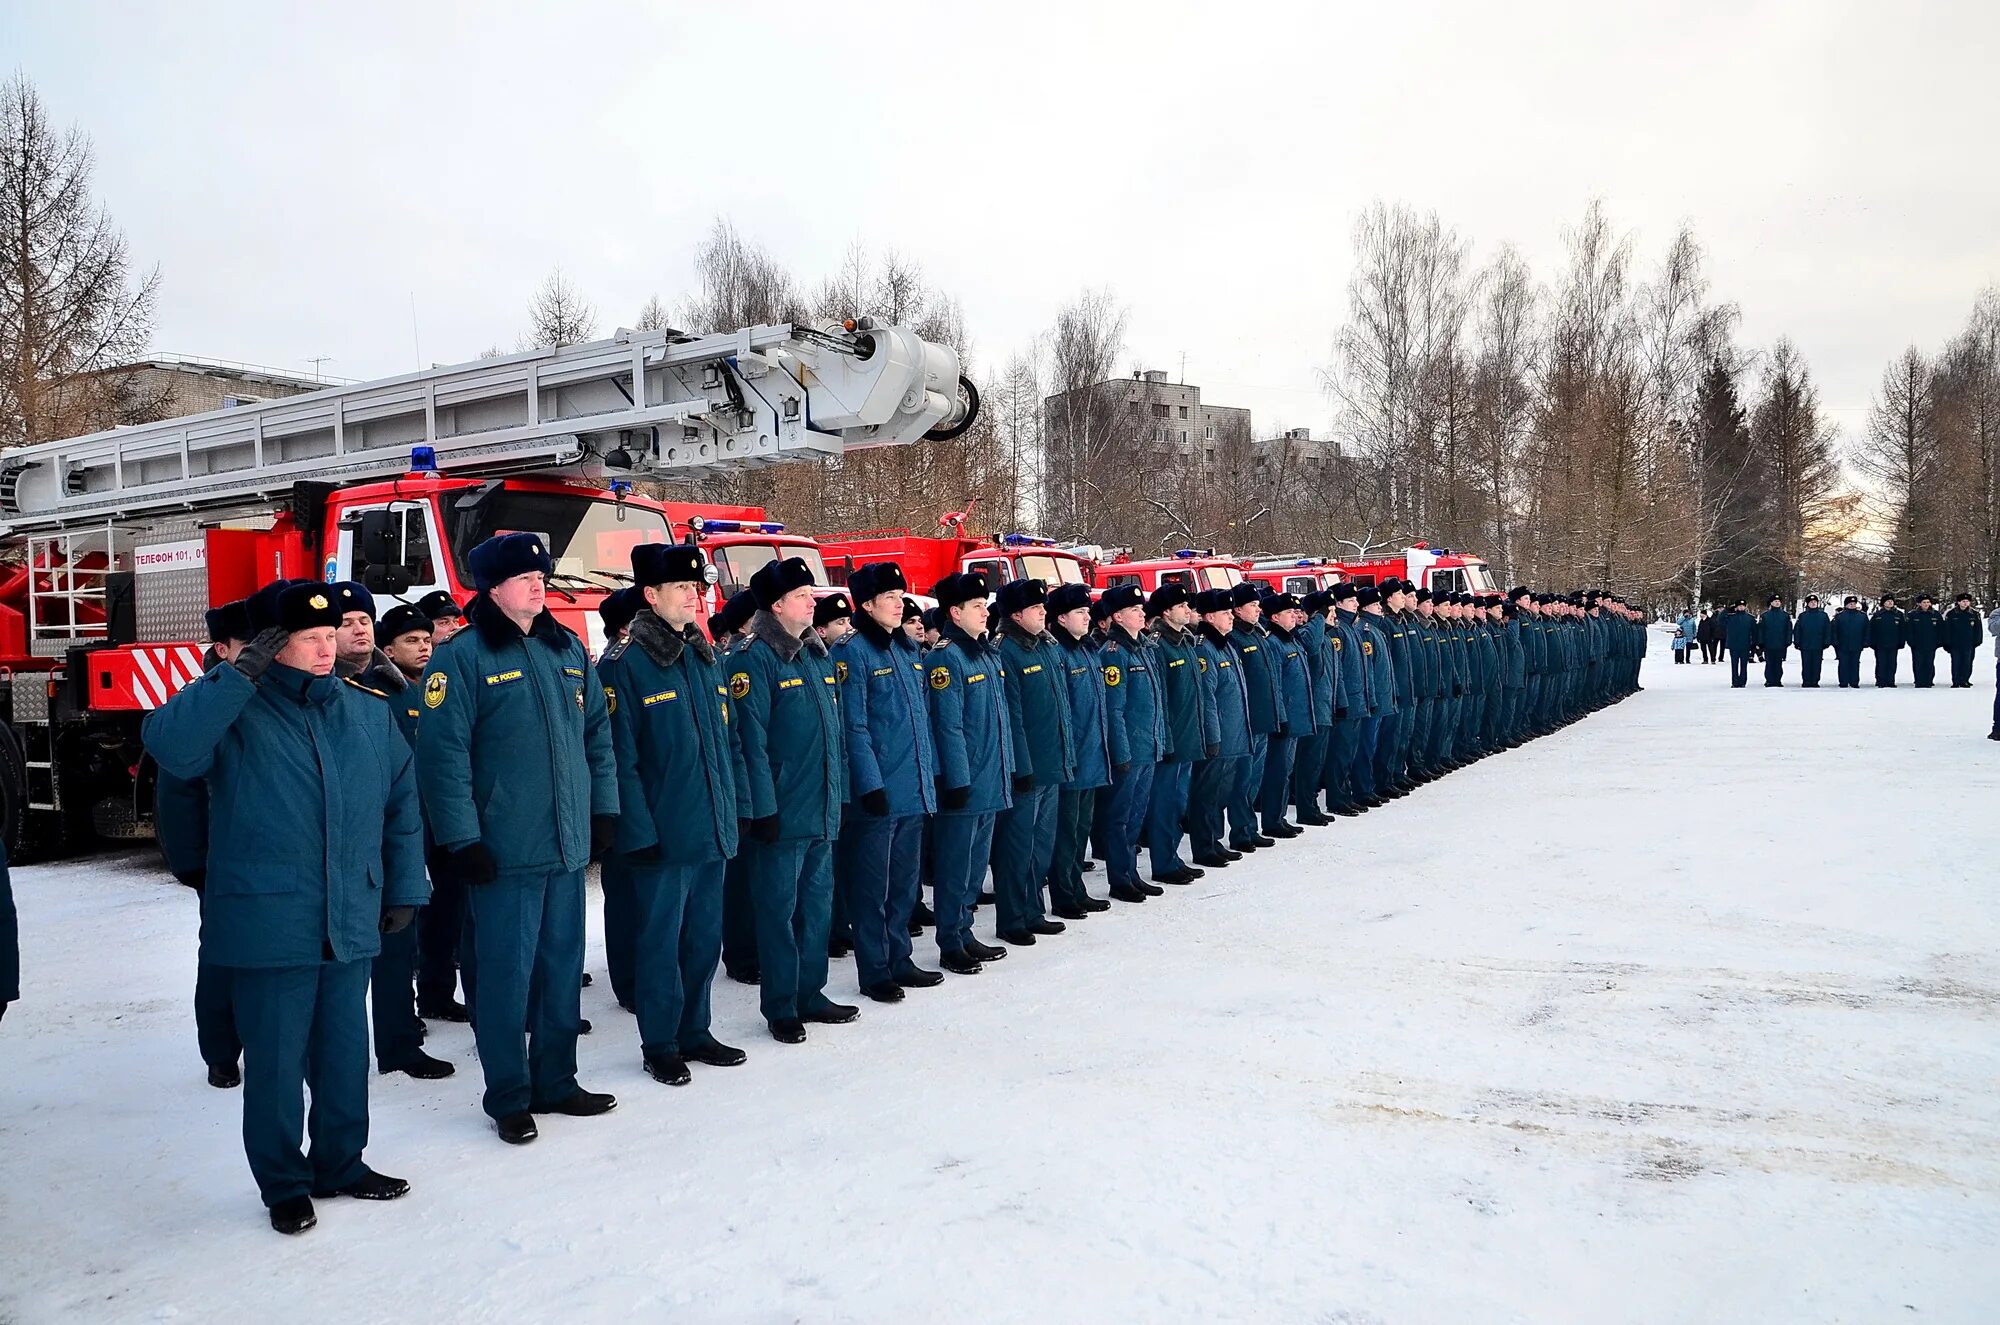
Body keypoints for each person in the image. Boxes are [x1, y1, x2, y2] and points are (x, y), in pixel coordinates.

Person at [144, 581, 426, 1234]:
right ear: (275, 643)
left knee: (342, 1050)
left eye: (332, 636)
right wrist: (237, 676)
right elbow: (172, 746)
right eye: (311, 637)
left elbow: (400, 801)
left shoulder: (365, 711)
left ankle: (341, 1160)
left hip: (349, 911)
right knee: (273, 1061)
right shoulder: (235, 709)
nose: (329, 648)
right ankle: (283, 1181)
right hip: (270, 918)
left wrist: (405, 885)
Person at [417, 532, 620, 1145]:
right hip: (503, 849)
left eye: (542, 574)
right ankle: (508, 1094)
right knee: (505, 976)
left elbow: (597, 739)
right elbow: (442, 757)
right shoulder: (463, 657)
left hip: (564, 844)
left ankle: (556, 1079)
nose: (539, 584)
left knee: (561, 968)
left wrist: (603, 810)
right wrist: (461, 838)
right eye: (525, 577)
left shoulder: (566, 649)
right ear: (494, 587)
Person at [600, 543, 749, 1084]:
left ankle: (697, 1029)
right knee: (660, 940)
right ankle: (660, 1040)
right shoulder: (627, 664)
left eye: (697, 587)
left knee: (704, 936)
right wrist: (638, 831)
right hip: (664, 832)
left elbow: (728, 743)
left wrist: (738, 810)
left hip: (711, 825)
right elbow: (621, 757)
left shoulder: (704, 655)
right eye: (682, 588)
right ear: (651, 595)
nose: (695, 595)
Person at [732, 557, 853, 1043]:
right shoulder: (752, 657)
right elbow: (749, 741)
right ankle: (781, 1004)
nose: (813, 601)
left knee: (816, 908)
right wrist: (762, 809)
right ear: (777, 605)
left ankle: (810, 992)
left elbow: (833, 735)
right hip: (781, 812)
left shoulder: (815, 653)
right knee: (778, 912)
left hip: (820, 806)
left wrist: (838, 793)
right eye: (803, 595)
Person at [341, 600, 454, 1082]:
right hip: (346, 836)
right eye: (343, 625)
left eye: (363, 620)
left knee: (397, 938)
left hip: (400, 828)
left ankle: (399, 1041)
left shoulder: (398, 686)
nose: (356, 630)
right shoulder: (324, 689)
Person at [155, 599, 252, 1089]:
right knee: (221, 958)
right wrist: (193, 865)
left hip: (267, 860)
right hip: (218, 863)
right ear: (223, 649)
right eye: (249, 645)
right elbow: (178, 794)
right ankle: (220, 1051)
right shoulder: (202, 705)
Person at [926, 571, 1015, 967]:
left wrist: (1006, 767)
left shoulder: (986, 652)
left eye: (985, 605)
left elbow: (999, 720)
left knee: (976, 865)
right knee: (955, 865)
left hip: (991, 777)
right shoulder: (946, 657)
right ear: (955, 612)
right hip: (967, 783)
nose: (985, 612)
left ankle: (965, 929)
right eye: (977, 606)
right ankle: (950, 939)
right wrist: (958, 780)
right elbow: (948, 725)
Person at [992, 578, 1077, 940]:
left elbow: (1060, 708)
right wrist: (1022, 767)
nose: (1044, 612)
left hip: (1052, 761)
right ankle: (1012, 918)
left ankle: (1033, 910)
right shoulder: (1006, 651)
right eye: (1036, 608)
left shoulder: (1045, 646)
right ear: (1016, 614)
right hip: (1028, 769)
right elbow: (1012, 717)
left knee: (1041, 844)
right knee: (1017, 847)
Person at [1045, 582, 1117, 916]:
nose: (1087, 618)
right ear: (1060, 618)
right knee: (1066, 831)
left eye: (1088, 611)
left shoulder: (1087, 649)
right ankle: (1063, 893)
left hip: (1091, 753)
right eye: (1079, 612)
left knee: (1081, 829)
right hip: (1071, 756)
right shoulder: (1058, 652)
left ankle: (1076, 886)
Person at [1097, 584, 1165, 903]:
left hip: (1147, 747)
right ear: (1118, 616)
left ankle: (1132, 873)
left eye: (1142, 609)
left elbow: (1154, 702)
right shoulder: (1114, 653)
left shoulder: (1143, 649)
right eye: (1135, 610)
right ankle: (1120, 877)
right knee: (1120, 817)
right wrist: (1121, 752)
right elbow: (1115, 709)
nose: (1142, 613)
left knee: (1136, 816)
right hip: (1129, 751)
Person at [1147, 582, 1212, 883]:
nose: (1188, 610)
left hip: (1188, 735)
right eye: (1182, 606)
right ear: (1166, 612)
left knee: (1178, 801)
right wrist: (1167, 739)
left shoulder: (1185, 642)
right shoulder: (1159, 645)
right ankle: (1163, 862)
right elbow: (1159, 699)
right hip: (1171, 739)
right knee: (1164, 802)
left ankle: (1171, 856)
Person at [1190, 587, 1249, 868]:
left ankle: (1214, 840)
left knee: (1221, 791)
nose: (1231, 617)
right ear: (1210, 616)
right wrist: (1213, 737)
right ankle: (1204, 845)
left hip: (1233, 732)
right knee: (1207, 793)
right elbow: (1207, 698)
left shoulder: (1225, 643)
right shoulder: (1204, 648)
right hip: (1219, 735)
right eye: (1225, 613)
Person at [1225, 584, 1279, 854]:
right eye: (1252, 606)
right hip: (1246, 721)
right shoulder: (1235, 638)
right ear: (1237, 610)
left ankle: (1250, 827)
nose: (1258, 609)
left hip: (1262, 717)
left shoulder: (1258, 634)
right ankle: (1240, 831)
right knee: (1242, 781)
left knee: (1254, 779)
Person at [1904, 594, 1944, 688]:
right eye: (1924, 602)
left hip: (1931, 643)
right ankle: (1919, 680)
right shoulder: (1913, 615)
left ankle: (1929, 680)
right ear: (1919, 604)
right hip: (1917, 643)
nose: (1926, 604)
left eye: (1928, 602)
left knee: (1929, 662)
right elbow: (1909, 630)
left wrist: (1939, 641)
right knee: (1918, 662)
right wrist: (1911, 641)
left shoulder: (1936, 614)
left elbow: (1941, 629)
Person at [1943, 593, 1982, 689]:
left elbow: (1978, 629)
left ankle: (1965, 680)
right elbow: (1947, 630)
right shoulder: (1951, 614)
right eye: (1963, 601)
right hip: (1955, 643)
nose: (1965, 603)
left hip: (1969, 643)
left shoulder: (1974, 614)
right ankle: (1956, 681)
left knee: (1967, 662)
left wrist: (1977, 641)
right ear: (1959, 602)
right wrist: (1947, 643)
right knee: (1956, 662)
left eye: (1967, 601)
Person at [1792, 594, 1830, 688]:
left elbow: (1828, 630)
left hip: (1818, 644)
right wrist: (1797, 642)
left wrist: (1826, 642)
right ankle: (1806, 681)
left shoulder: (1823, 616)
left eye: (1815, 602)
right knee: (1806, 663)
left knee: (1817, 664)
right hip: (1805, 644)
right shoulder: (1803, 616)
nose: (1813, 604)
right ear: (1807, 604)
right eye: (1811, 602)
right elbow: (1797, 630)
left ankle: (1815, 681)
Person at [1868, 594, 1907, 687]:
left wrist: (1902, 641)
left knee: (1892, 663)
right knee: (1881, 663)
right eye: (1888, 601)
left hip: (1894, 643)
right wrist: (1872, 642)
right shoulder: (1877, 615)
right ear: (1883, 603)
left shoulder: (1899, 615)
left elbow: (1903, 629)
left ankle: (1890, 681)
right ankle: (1880, 681)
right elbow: (1871, 629)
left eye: (1891, 601)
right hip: (1880, 644)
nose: (1890, 603)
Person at [1831, 595, 1869, 688]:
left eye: (1854, 603)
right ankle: (1843, 681)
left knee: (1855, 663)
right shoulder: (1839, 616)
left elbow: (1867, 629)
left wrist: (1866, 641)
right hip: (1842, 644)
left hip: (1857, 643)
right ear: (1846, 605)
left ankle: (1854, 681)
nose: (1852, 605)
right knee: (1843, 663)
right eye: (1850, 604)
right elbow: (1834, 630)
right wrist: (1835, 642)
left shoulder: (1862, 616)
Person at [1757, 595, 1792, 687]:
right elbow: (1761, 630)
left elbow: (1788, 629)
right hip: (1768, 644)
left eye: (1778, 601)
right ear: (1771, 603)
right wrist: (1761, 642)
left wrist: (1788, 641)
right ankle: (1769, 680)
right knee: (1769, 663)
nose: (1777, 603)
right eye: (1775, 601)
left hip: (1780, 644)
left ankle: (1777, 680)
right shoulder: (1765, 616)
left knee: (1778, 663)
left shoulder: (1785, 615)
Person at [1722, 600, 1754, 687]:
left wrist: (1754, 644)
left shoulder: (1750, 618)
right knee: (1734, 665)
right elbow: (1720, 620)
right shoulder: (1730, 617)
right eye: (1739, 606)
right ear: (1736, 607)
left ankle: (1743, 681)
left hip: (1745, 644)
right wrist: (1727, 610)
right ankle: (1735, 682)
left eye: (1743, 606)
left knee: (1744, 665)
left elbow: (1754, 631)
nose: (1741, 607)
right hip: (1734, 644)